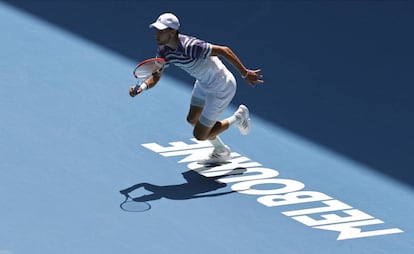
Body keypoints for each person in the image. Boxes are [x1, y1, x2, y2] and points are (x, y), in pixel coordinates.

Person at [129, 13, 263, 164]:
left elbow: (224, 50)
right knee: (192, 119)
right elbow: (156, 76)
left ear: (172, 32)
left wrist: (245, 73)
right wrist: (142, 88)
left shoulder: (191, 46)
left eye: (161, 30)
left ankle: (238, 118)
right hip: (203, 84)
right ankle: (221, 151)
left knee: (200, 134)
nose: (157, 34)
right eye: (156, 30)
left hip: (221, 87)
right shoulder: (163, 51)